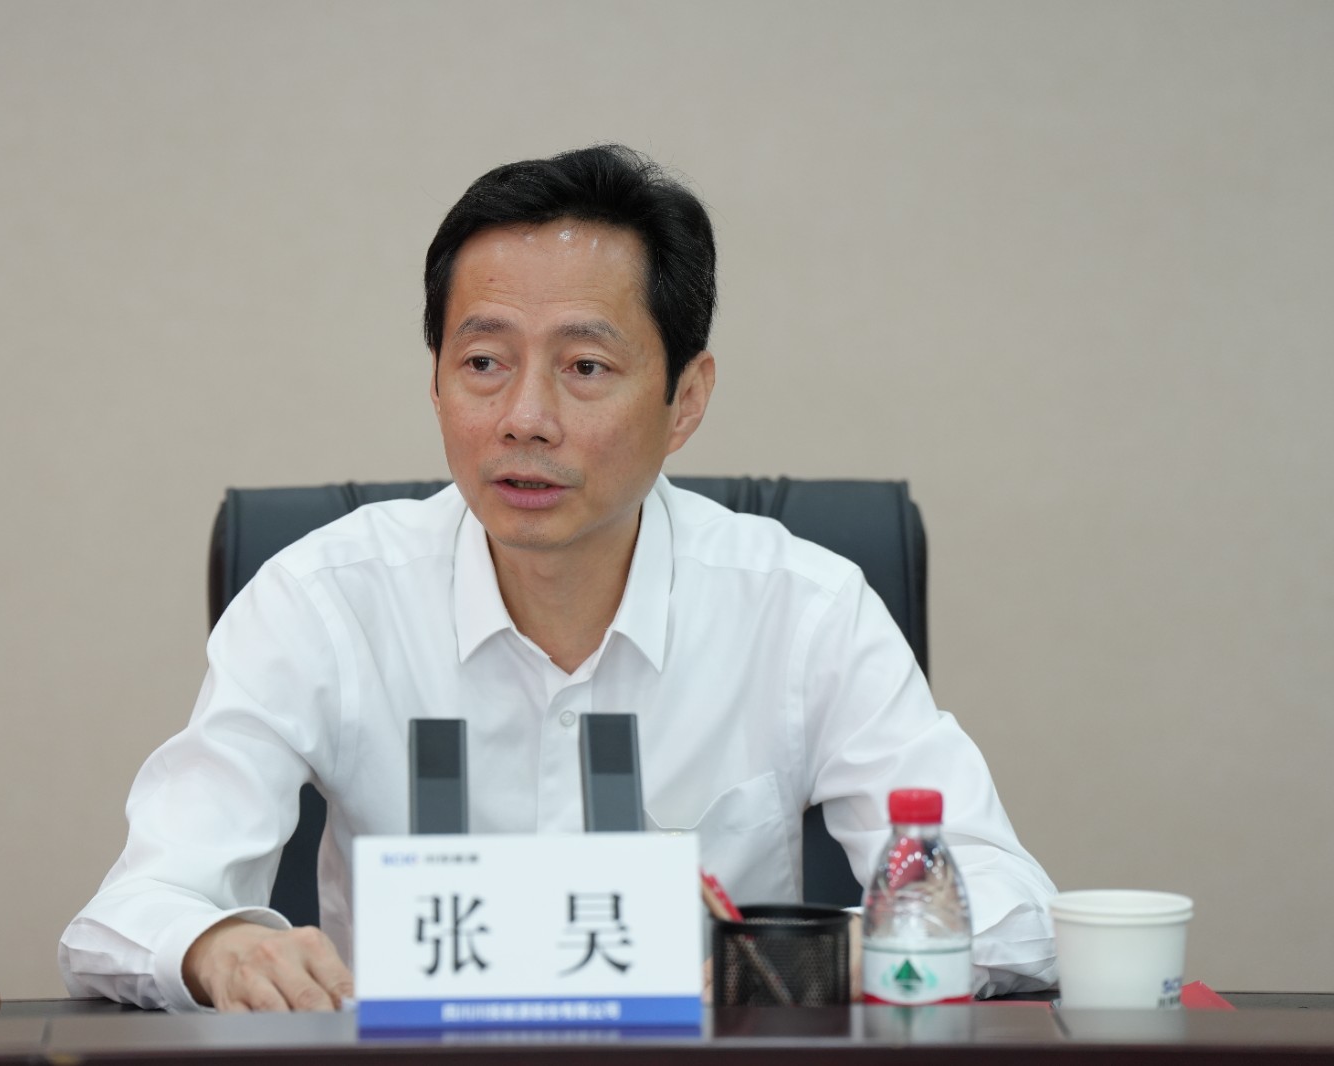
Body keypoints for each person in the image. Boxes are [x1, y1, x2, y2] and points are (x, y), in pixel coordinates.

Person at [59, 145, 1058, 1012]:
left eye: (584, 368)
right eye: (483, 362)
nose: (523, 418)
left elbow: (1013, 909)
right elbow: (134, 908)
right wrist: (218, 946)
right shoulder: (322, 601)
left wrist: (786, 965)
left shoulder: (805, 611)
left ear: (686, 399)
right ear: (436, 380)